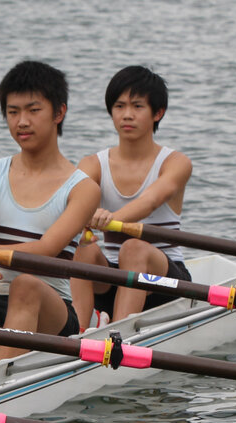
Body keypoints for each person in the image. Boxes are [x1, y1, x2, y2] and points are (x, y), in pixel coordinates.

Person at [0, 60, 100, 377]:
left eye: (33, 110)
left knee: (26, 284)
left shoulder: (82, 188)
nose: (21, 122)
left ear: (59, 113)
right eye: (13, 112)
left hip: (51, 317)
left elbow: (48, 248)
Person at [70, 66, 193, 328]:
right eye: (119, 106)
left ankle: (119, 336)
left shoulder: (175, 162)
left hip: (165, 284)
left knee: (133, 247)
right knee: (84, 245)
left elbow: (149, 202)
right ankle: (77, 332)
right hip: (113, 281)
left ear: (157, 113)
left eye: (137, 106)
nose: (127, 115)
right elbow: (67, 204)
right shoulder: (92, 164)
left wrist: (108, 219)